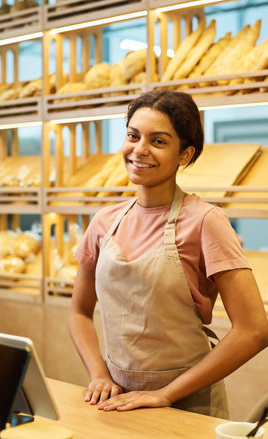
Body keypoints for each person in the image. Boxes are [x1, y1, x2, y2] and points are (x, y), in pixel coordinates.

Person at [68, 90, 268, 418]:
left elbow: (254, 330)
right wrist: (100, 375)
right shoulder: (105, 221)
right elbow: (79, 312)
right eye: (133, 136)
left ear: (185, 154)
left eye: (158, 141)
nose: (139, 150)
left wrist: (165, 394)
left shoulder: (206, 221)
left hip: (188, 406)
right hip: (117, 401)